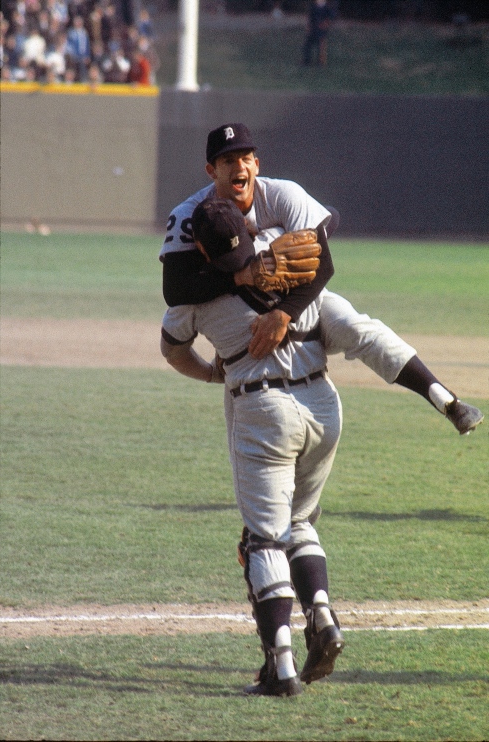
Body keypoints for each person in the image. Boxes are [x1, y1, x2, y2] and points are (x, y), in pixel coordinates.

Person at [159, 123, 484, 437]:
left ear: (256, 164)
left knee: (359, 328)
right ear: (211, 171)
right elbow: (175, 290)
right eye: (227, 160)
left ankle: (444, 398)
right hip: (238, 310)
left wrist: (283, 314)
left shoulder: (283, 195)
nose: (238, 166)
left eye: (245, 158)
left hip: (299, 294)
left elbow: (323, 266)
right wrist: (241, 277)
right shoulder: (190, 215)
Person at [161, 197, 346, 697]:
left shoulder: (195, 294)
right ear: (248, 226)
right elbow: (320, 255)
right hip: (323, 403)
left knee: (263, 540)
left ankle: (281, 668)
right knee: (300, 523)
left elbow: (172, 348)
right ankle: (323, 614)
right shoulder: (281, 253)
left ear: (199, 246)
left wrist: (210, 373)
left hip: (262, 409)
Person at [302, 0, 335, 67]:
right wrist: (309, 26)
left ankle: (320, 62)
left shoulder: (327, 7)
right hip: (313, 28)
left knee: (320, 46)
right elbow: (311, 17)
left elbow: (331, 17)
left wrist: (326, 24)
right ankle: (306, 60)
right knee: (307, 45)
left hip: (321, 29)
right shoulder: (314, 6)